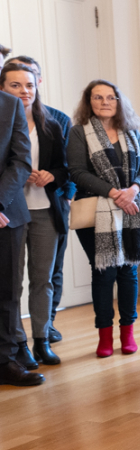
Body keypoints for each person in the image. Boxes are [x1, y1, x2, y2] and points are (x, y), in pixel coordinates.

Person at [67, 79, 140, 358]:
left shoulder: (131, 131)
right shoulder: (79, 132)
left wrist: (133, 190)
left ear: (119, 102)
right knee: (103, 273)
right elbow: (77, 172)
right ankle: (104, 335)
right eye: (98, 97)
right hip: (96, 211)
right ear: (88, 102)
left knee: (128, 272)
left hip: (132, 208)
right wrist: (116, 193)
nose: (105, 102)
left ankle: (127, 333)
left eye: (110, 97)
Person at [1, 63, 68, 368]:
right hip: (11, 214)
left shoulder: (51, 124)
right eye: (15, 85)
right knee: (11, 284)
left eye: (29, 85)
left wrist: (49, 176)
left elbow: (65, 169)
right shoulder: (4, 120)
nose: (24, 91)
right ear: (3, 88)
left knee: (43, 280)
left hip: (44, 211)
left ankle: (42, 339)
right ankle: (18, 345)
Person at [0, 88, 39, 386]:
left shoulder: (11, 105)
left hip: (7, 213)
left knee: (8, 292)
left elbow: (21, 160)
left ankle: (5, 361)